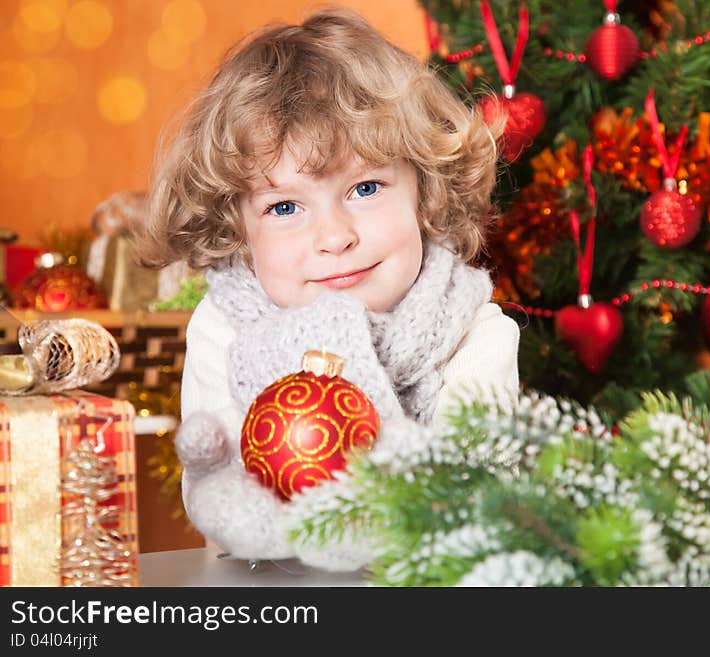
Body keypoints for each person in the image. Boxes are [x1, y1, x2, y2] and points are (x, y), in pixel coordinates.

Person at [135, 8, 519, 568]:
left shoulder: (474, 332)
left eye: (365, 187)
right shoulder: (224, 327)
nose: (335, 236)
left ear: (425, 192)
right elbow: (213, 487)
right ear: (238, 230)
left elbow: (479, 500)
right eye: (285, 206)